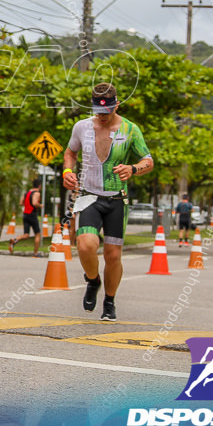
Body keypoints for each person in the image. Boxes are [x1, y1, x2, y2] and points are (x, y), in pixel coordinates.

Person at [63, 82, 153, 321]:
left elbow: (148, 160)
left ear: (117, 105)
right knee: (85, 245)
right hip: (89, 197)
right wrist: (67, 172)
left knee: (113, 256)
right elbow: (70, 153)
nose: (102, 116)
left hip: (117, 200)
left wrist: (133, 168)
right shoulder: (81, 127)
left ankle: (110, 301)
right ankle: (93, 280)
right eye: (98, 112)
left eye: (107, 112)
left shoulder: (131, 129)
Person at [10, 178, 43, 257]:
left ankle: (15, 240)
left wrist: (27, 205)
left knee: (26, 235)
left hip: (25, 214)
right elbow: (34, 203)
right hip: (32, 214)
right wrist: (40, 205)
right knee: (37, 234)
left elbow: (21, 203)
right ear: (39, 185)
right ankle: (35, 253)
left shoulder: (27, 193)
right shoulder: (37, 193)